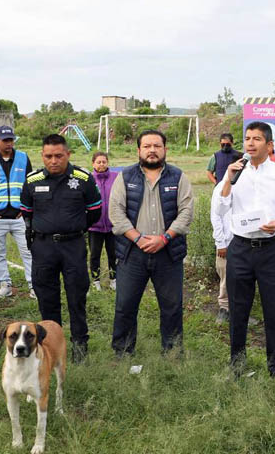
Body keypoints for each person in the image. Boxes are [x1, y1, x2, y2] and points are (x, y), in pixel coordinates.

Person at [216, 121, 275, 377]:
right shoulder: (235, 172)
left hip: (272, 249)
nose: (250, 143)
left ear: (269, 144)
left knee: (273, 310)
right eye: (247, 138)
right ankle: (237, 362)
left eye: (256, 139)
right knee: (238, 309)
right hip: (240, 248)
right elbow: (221, 208)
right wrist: (228, 181)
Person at [109, 130, 194, 358]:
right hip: (132, 252)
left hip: (168, 253)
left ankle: (173, 352)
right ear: (139, 150)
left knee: (172, 307)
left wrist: (165, 238)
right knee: (125, 305)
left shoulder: (178, 177)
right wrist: (137, 237)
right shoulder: (125, 177)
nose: (152, 150)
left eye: (157, 145)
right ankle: (123, 352)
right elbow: (115, 212)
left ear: (165, 149)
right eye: (147, 146)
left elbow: (186, 212)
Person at [20, 134, 102, 364]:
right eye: (48, 156)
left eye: (58, 156)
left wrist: (74, 228)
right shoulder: (32, 180)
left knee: (76, 296)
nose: (53, 161)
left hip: (73, 245)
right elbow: (27, 212)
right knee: (47, 297)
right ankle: (51, 344)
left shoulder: (83, 178)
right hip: (44, 246)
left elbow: (94, 211)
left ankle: (79, 344)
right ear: (42, 156)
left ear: (68, 154)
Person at [0, 125, 34, 299]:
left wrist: (27, 208)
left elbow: (30, 184)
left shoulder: (23, 157)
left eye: (11, 140)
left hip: (19, 216)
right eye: (5, 140)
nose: (9, 143)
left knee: (28, 251)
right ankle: (5, 285)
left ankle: (33, 285)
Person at [88, 151, 119, 291]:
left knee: (113, 254)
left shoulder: (116, 177)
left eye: (104, 162)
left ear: (108, 162)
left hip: (112, 225)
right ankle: (96, 281)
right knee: (95, 255)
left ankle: (114, 279)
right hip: (95, 226)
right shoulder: (89, 179)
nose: (101, 164)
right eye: (98, 162)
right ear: (93, 163)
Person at [210, 182, 232, 324]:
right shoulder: (221, 188)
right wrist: (221, 243)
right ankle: (224, 308)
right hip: (226, 242)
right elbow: (216, 217)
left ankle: (240, 311)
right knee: (225, 275)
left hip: (245, 242)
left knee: (243, 279)